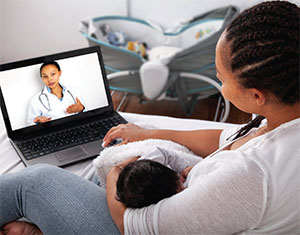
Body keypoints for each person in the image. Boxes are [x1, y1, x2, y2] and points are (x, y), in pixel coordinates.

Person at [0, 1, 299, 234]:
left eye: (221, 77)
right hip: (184, 198)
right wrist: (146, 134)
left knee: (36, 182)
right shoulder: (281, 117)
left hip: (139, 225)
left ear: (257, 96)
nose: (219, 85)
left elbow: (136, 226)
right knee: (105, 156)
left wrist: (118, 170)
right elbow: (228, 140)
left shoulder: (253, 176)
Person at [115, 147, 191, 208]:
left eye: (177, 178)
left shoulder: (153, 160)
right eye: (179, 187)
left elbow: (165, 153)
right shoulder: (152, 203)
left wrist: (183, 167)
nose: (182, 182)